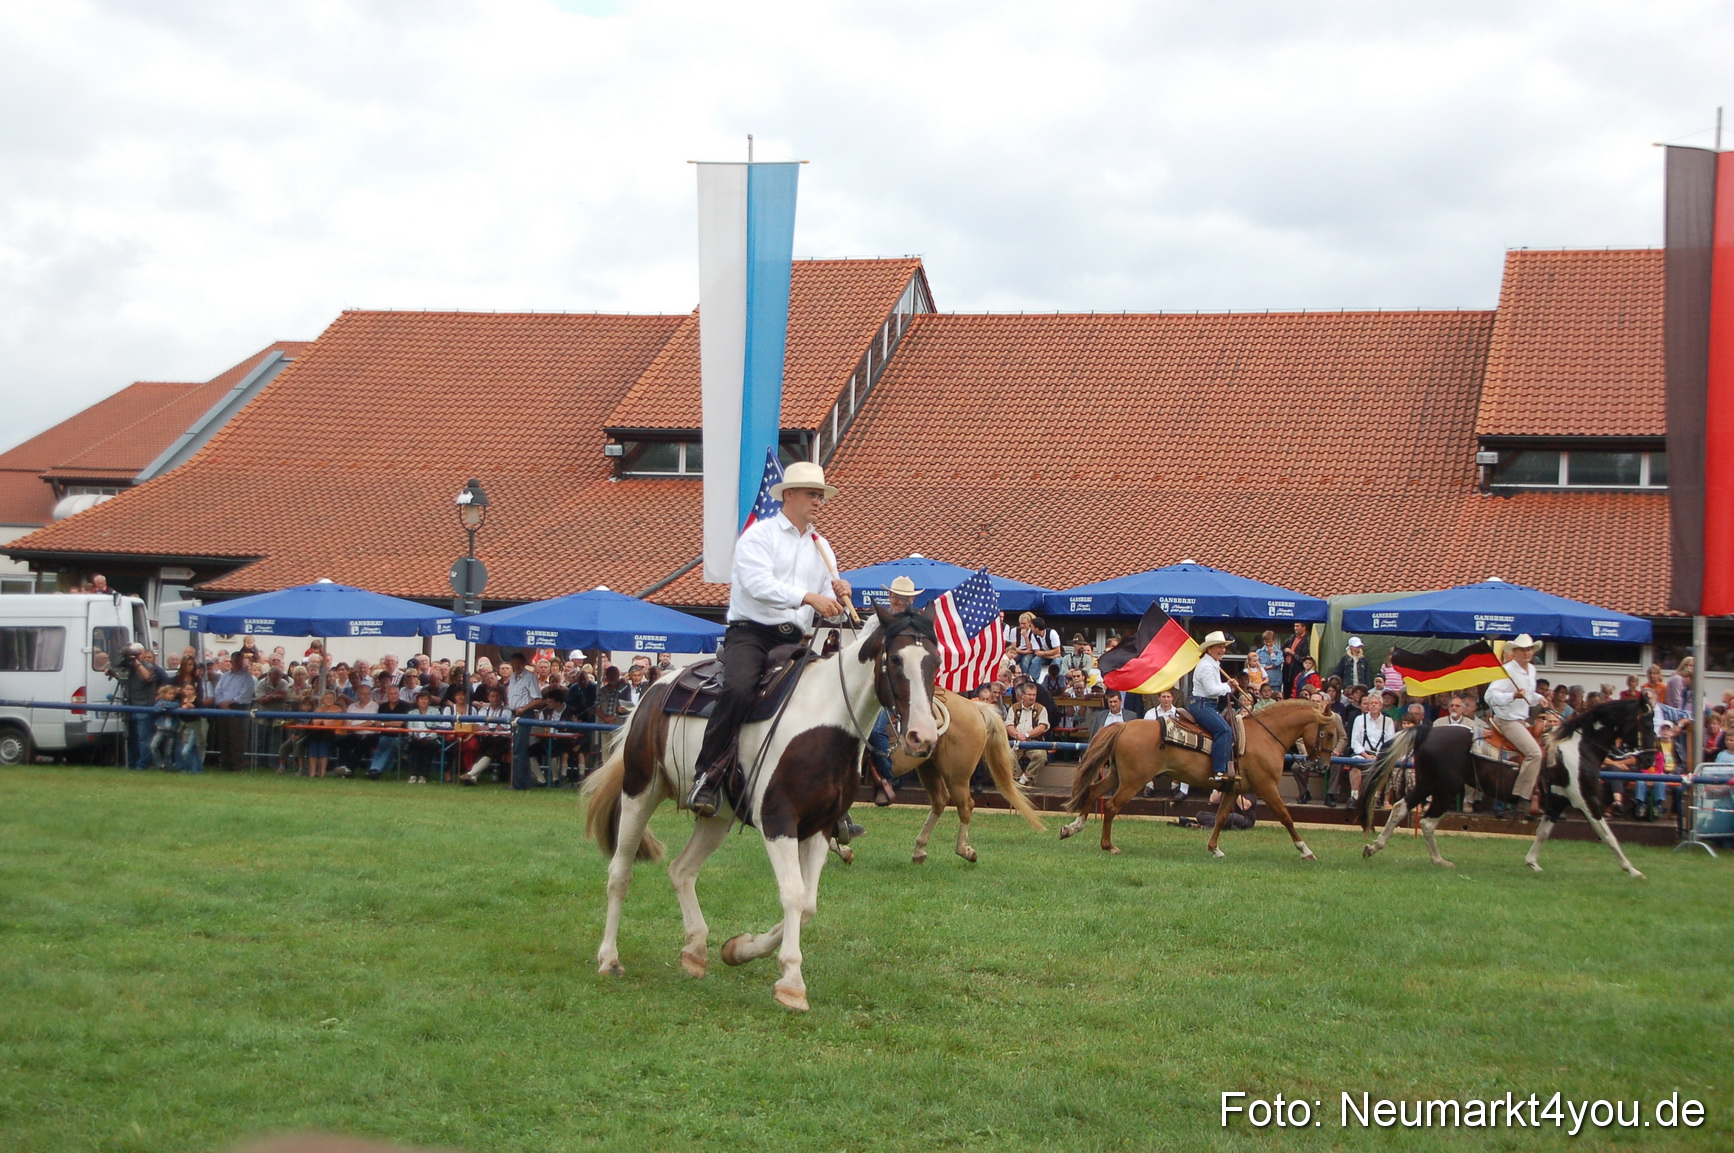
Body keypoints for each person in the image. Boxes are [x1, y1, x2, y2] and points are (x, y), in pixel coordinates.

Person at [689, 461, 850, 817]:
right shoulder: (758, 537)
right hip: (750, 635)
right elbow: (757, 586)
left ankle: (827, 792)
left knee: (825, 699)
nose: (817, 501)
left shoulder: (822, 547)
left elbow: (832, 609)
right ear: (788, 495)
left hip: (794, 639)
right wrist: (809, 597)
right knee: (738, 689)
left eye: (820, 495)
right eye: (811, 494)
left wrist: (841, 597)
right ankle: (707, 775)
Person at [1484, 634, 1546, 818]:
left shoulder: (1532, 670)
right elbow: (1490, 696)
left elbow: (1529, 694)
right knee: (1534, 753)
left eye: (1529, 649)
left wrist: (1539, 698)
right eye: (1523, 650)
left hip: (1522, 719)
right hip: (1507, 720)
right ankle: (1522, 799)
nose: (1527, 653)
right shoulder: (1507, 670)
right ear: (1515, 652)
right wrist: (1512, 696)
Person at [108, 642, 168, 770]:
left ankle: (143, 764)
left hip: (144, 707)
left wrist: (136, 663)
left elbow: (148, 677)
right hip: (130, 706)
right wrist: (113, 673)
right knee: (131, 738)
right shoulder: (128, 667)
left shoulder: (147, 666)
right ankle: (131, 763)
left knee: (143, 739)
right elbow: (123, 680)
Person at [1190, 632, 1239, 786]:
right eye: (1219, 647)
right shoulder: (1206, 666)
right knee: (1224, 730)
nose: (1223, 650)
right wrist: (1228, 686)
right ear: (1209, 649)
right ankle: (1219, 771)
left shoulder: (1212, 664)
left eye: (1223, 647)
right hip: (1202, 704)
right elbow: (1211, 690)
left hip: (1207, 703)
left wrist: (1228, 687)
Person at [212, 651, 256, 771]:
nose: (237, 663)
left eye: (239, 660)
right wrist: (221, 702)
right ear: (231, 662)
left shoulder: (247, 677)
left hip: (238, 708)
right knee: (224, 736)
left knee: (237, 737)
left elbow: (246, 694)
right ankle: (224, 762)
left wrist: (231, 701)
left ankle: (237, 764)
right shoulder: (225, 676)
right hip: (223, 708)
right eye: (235, 660)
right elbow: (218, 691)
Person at [1349, 692, 1396, 805]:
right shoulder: (1359, 719)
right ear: (1368, 706)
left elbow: (1390, 742)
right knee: (1355, 767)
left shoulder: (1388, 721)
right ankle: (1354, 797)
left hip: (1380, 755)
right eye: (1371, 703)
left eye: (1376, 703)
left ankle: (1375, 798)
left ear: (1380, 705)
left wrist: (1378, 756)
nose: (1374, 705)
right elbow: (1355, 742)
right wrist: (1366, 755)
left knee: (1382, 768)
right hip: (1362, 754)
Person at [1004, 681, 1050, 787]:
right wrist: (1017, 735)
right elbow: (1009, 725)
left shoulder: (1041, 709)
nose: (1032, 697)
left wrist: (1027, 735)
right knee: (1007, 755)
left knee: (1041, 756)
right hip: (1017, 742)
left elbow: (1042, 727)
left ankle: (1025, 779)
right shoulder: (1013, 708)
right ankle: (1018, 779)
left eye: (1034, 695)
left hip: (1034, 742)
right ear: (1022, 696)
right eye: (1029, 694)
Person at [1255, 630, 1285, 696]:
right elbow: (1257, 664)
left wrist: (1272, 654)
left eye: (1270, 641)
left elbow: (1276, 663)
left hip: (1275, 682)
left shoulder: (1279, 652)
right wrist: (1268, 667)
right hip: (1263, 681)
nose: (1268, 644)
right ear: (1263, 641)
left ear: (1273, 641)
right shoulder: (1259, 652)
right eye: (1266, 641)